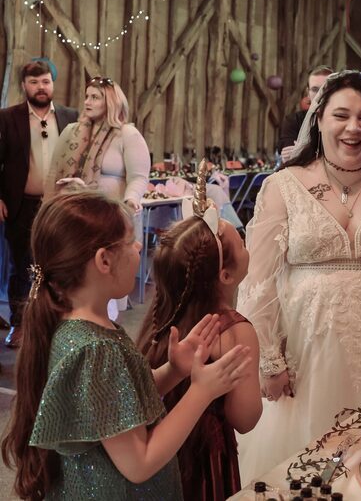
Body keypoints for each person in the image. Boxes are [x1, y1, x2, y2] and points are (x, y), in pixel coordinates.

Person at [0, 190, 252, 500]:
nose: (138, 247)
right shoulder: (95, 350)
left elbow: (119, 408)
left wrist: (174, 371)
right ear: (104, 260)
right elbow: (139, 463)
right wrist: (201, 392)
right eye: (130, 241)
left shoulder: (81, 328)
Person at [235, 70, 361, 483]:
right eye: (341, 115)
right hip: (307, 350)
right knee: (306, 461)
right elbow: (257, 281)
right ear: (317, 119)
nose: (353, 127)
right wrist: (267, 359)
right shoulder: (283, 185)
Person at [137, 161, 262, 500]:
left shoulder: (158, 317)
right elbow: (245, 417)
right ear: (226, 276)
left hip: (160, 454)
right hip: (207, 461)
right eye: (242, 242)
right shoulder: (236, 332)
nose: (247, 244)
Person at [45, 76, 150, 317]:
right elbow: (53, 171)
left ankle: (104, 327)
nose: (87, 102)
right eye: (87, 96)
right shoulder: (71, 131)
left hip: (110, 220)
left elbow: (139, 176)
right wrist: (49, 204)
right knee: (74, 281)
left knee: (104, 281)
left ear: (110, 102)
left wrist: (132, 199)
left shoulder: (127, 135)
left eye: (95, 97)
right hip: (73, 220)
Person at [0, 59, 79, 347]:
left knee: (59, 264)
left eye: (45, 81)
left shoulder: (71, 117)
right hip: (20, 204)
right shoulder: (9, 118)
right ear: (24, 86)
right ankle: (19, 324)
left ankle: (57, 323)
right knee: (21, 267)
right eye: (34, 82)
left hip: (59, 206)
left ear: (52, 84)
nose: (40, 87)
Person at [277, 65, 333, 162]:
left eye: (325, 89)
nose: (320, 94)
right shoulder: (293, 120)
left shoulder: (345, 120)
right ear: (308, 92)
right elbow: (289, 156)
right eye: (315, 90)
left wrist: (302, 149)